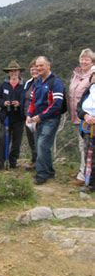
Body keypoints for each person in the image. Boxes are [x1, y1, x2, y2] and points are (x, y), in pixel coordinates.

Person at [27, 56, 66, 185]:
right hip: (38, 119)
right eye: (37, 66)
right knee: (41, 146)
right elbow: (32, 101)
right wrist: (29, 114)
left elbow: (57, 104)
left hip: (51, 119)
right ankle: (49, 172)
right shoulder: (37, 82)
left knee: (42, 145)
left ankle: (41, 174)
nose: (39, 68)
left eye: (41, 65)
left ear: (48, 66)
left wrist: (41, 116)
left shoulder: (56, 82)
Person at [0, 60, 25, 171]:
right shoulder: (3, 85)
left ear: (19, 72)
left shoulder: (24, 86)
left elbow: (28, 99)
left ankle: (13, 162)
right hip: (6, 116)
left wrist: (20, 103)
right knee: (2, 138)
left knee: (17, 140)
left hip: (19, 117)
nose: (13, 73)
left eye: (15, 70)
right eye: (11, 71)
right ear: (8, 72)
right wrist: (3, 103)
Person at [69, 48, 95, 185]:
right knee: (82, 145)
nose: (83, 61)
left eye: (87, 59)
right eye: (82, 58)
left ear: (92, 61)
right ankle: (83, 170)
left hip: (89, 118)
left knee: (86, 145)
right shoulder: (77, 74)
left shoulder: (93, 75)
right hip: (78, 115)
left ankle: (85, 175)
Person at [76, 71, 95, 193]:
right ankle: (90, 183)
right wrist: (86, 115)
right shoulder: (88, 91)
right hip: (89, 128)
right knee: (90, 155)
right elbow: (79, 108)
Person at [22, 59, 39, 169]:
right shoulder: (28, 83)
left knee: (38, 140)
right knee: (31, 139)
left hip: (38, 116)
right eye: (32, 69)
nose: (34, 71)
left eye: (36, 68)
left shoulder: (44, 82)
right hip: (27, 116)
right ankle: (34, 160)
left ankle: (39, 163)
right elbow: (25, 98)